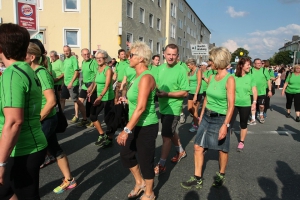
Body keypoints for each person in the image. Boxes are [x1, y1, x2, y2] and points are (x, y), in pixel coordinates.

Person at [0, 23, 47, 200]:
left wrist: (1, 162)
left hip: (21, 149)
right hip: (30, 144)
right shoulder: (26, 68)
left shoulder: (12, 73)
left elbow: (14, 122)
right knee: (9, 193)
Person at [26, 40, 77, 194]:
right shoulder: (31, 72)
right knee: (54, 148)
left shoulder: (41, 72)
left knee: (33, 155)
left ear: (32, 57)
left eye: (24, 53)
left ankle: (27, 191)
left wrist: (36, 119)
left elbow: (52, 101)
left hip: (46, 119)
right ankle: (69, 179)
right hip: (41, 118)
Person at [181, 47, 235, 189]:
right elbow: (206, 99)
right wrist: (200, 115)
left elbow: (231, 105)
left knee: (222, 149)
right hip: (207, 117)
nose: (209, 62)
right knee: (198, 146)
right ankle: (197, 178)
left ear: (218, 60)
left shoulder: (229, 79)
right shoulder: (211, 77)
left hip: (221, 118)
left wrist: (225, 125)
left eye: (211, 59)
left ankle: (221, 174)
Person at [117, 41, 158, 200]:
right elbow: (138, 102)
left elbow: (141, 108)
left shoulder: (146, 77)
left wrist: (126, 130)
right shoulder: (137, 76)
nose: (129, 57)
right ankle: (139, 182)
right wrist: (127, 101)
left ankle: (149, 192)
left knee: (146, 160)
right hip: (135, 124)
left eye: (131, 55)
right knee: (126, 154)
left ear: (141, 58)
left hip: (146, 126)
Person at [154, 44, 189, 176]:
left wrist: (167, 94)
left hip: (173, 108)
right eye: (169, 54)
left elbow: (185, 92)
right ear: (164, 54)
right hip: (163, 107)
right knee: (171, 131)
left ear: (177, 56)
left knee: (165, 136)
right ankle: (181, 151)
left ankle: (162, 164)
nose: (171, 57)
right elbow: (155, 83)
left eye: (174, 54)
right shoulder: (160, 68)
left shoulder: (180, 70)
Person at [229, 57, 257, 151]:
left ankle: (241, 142)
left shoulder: (250, 77)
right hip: (234, 103)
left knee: (243, 123)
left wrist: (254, 102)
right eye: (248, 64)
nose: (250, 66)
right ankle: (227, 136)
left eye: (250, 64)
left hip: (245, 104)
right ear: (241, 65)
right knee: (229, 122)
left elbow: (254, 90)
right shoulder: (233, 76)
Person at [89, 50, 115, 148]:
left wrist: (100, 97)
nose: (99, 59)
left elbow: (107, 85)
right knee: (93, 116)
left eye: (101, 58)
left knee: (108, 120)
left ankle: (110, 139)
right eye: (97, 58)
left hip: (108, 98)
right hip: (99, 97)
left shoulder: (108, 69)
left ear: (105, 59)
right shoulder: (97, 68)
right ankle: (102, 134)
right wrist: (92, 91)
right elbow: (96, 82)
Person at [60, 45, 89, 125]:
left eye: (67, 51)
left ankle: (76, 116)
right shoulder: (65, 60)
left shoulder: (73, 59)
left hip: (72, 83)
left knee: (75, 100)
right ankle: (61, 114)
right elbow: (64, 72)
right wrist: (63, 83)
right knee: (62, 98)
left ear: (70, 50)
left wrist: (71, 82)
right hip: (65, 83)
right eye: (64, 51)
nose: (66, 52)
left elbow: (76, 72)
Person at [76, 48, 98, 127]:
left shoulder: (93, 62)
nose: (86, 55)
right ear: (81, 55)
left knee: (92, 104)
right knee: (79, 102)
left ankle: (93, 120)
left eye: (88, 54)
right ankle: (85, 119)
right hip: (84, 85)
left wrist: (92, 85)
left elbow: (97, 74)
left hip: (92, 85)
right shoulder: (83, 62)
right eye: (84, 54)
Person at [247, 58, 272, 125]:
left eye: (260, 63)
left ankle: (261, 114)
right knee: (253, 105)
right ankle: (253, 119)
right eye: (257, 63)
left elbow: (268, 80)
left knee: (261, 105)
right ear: (254, 64)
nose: (259, 64)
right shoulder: (250, 70)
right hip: (252, 91)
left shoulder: (264, 70)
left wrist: (269, 90)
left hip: (262, 91)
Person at [186, 58, 202, 133]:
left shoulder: (198, 71)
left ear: (192, 64)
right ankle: (197, 118)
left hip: (197, 93)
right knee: (189, 108)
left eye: (188, 65)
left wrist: (196, 95)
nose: (188, 66)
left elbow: (199, 83)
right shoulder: (190, 71)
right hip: (191, 92)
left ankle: (195, 125)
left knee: (195, 110)